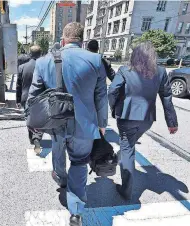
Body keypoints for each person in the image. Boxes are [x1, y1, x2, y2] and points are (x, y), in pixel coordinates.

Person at [28, 22, 108, 226]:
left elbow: (33, 98)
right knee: (80, 163)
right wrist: (102, 124)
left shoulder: (44, 61)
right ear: (82, 41)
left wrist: (34, 123)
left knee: (57, 150)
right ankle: (76, 211)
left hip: (55, 122)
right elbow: (101, 96)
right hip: (85, 125)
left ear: (63, 40)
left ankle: (61, 179)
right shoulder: (96, 60)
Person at [108, 41, 178, 200]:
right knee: (129, 146)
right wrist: (172, 123)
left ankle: (126, 189)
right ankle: (122, 159)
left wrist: (113, 107)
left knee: (127, 149)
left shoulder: (125, 70)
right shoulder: (160, 72)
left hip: (127, 117)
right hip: (147, 119)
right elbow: (166, 96)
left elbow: (112, 90)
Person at [16, 45, 43, 154]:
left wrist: (17, 100)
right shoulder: (43, 66)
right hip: (40, 98)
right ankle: (37, 137)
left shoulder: (22, 67)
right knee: (40, 119)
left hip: (25, 97)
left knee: (30, 118)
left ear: (30, 54)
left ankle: (32, 137)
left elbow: (18, 86)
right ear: (40, 54)